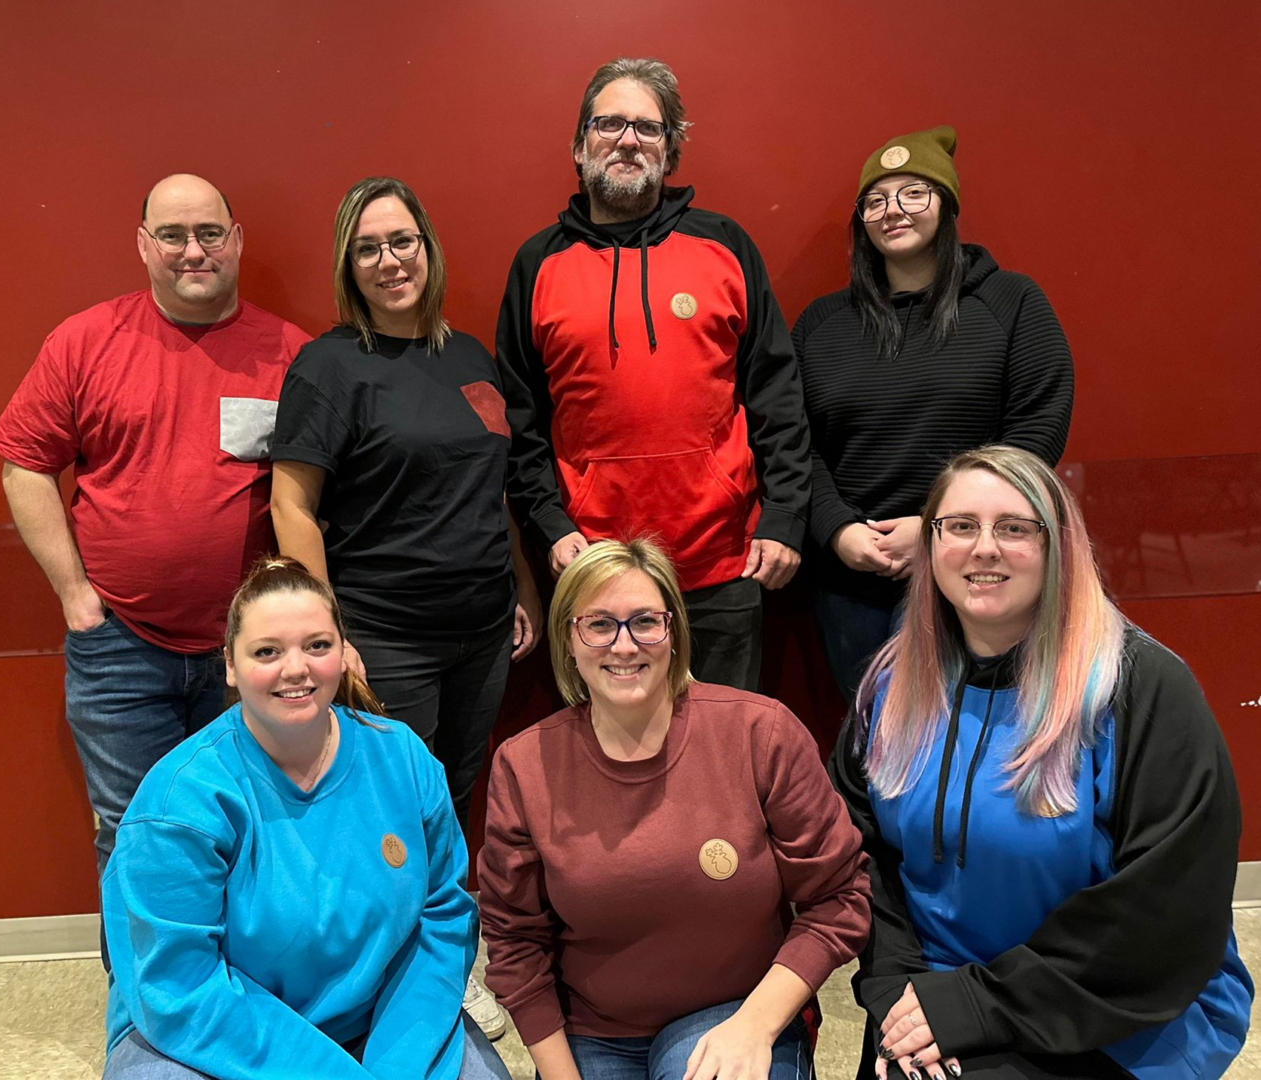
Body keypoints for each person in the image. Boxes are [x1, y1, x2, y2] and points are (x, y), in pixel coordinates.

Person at [832, 445, 1252, 1080]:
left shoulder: (1141, 687)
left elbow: (1165, 909)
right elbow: (856, 852)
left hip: (1115, 1003)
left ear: (1059, 547)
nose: (984, 548)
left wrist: (981, 1004)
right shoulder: (891, 685)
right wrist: (898, 985)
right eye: (960, 526)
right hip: (937, 985)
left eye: (1014, 527)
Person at [0, 174, 309, 890]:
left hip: (251, 652)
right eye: (171, 235)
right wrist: (76, 598)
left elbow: (323, 493)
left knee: (258, 827)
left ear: (236, 240)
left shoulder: (292, 354)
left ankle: (240, 995)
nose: (192, 251)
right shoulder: (84, 342)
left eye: (208, 233)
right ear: (143, 245)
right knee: (137, 833)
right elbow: (23, 468)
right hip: (119, 651)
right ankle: (140, 1004)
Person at [270, 176, 535, 1039]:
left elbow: (496, 489)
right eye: (369, 247)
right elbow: (291, 505)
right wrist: (326, 634)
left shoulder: (468, 357)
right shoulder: (330, 364)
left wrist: (523, 589)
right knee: (389, 811)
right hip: (386, 635)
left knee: (458, 795)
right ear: (350, 263)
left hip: (483, 628)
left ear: (429, 247)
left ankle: (448, 964)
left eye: (403, 241)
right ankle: (390, 980)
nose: (391, 261)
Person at [101, 557, 513, 1080]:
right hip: (215, 1032)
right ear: (229, 664)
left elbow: (443, 920)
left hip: (381, 1020)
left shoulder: (403, 759)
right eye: (267, 651)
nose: (295, 669)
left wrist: (397, 1067)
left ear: (344, 653)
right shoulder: (180, 801)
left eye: (317, 646)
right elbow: (177, 983)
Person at [478, 538, 871, 1080]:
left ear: (674, 630)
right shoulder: (524, 766)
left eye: (645, 621)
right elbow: (514, 941)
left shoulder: (762, 732)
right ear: (568, 638)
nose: (623, 645)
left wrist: (756, 1025)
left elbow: (839, 898)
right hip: (597, 1032)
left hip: (737, 1010)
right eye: (598, 624)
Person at [498, 57, 812, 693]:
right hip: (594, 570)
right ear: (580, 144)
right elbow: (520, 419)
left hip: (722, 564)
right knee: (609, 763)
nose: (627, 139)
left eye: (648, 127)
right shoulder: (538, 263)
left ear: (670, 151)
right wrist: (551, 527)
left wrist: (786, 519)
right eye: (609, 123)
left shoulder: (725, 246)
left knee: (723, 762)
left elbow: (776, 394)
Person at [794, 126, 1073, 707]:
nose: (892, 211)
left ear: (946, 206)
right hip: (856, 581)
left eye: (913, 193)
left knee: (992, 735)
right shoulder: (821, 326)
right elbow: (793, 446)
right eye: (875, 200)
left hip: (984, 566)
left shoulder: (1012, 303)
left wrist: (937, 529)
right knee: (882, 744)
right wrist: (838, 531)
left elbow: (1036, 429)